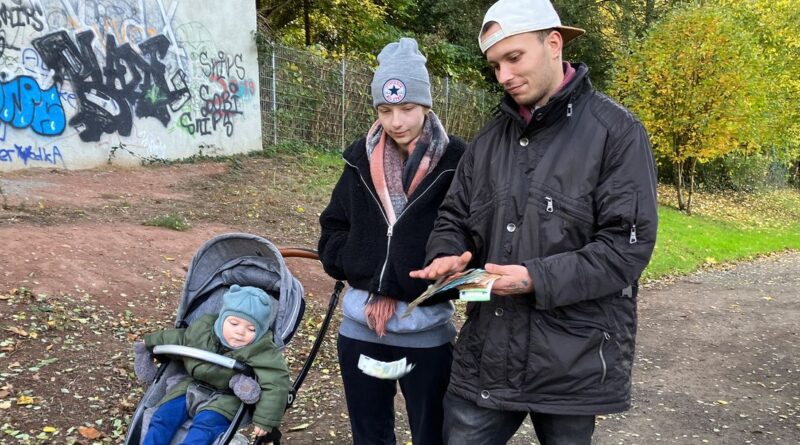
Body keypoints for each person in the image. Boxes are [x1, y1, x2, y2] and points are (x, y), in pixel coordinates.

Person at [409, 0, 659, 443]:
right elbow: (454, 216)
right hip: (487, 355)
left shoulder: (616, 131)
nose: (503, 76)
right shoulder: (487, 140)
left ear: (554, 43)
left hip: (573, 362)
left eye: (514, 57)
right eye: (494, 65)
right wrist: (445, 253)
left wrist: (534, 278)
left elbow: (627, 246)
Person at [317, 37, 466, 445]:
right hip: (361, 329)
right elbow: (332, 226)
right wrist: (354, 265)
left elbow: (472, 235)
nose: (396, 121)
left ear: (426, 106)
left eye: (407, 108)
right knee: (370, 436)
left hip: (426, 334)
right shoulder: (357, 161)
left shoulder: (458, 163)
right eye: (385, 110)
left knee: (432, 435)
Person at [133, 284, 290, 445]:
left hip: (225, 399)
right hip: (189, 387)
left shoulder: (262, 349)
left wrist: (265, 419)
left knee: (204, 430)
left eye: (251, 329)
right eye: (234, 324)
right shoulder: (204, 329)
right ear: (222, 319)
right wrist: (150, 342)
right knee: (162, 418)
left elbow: (276, 381)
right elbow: (179, 338)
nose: (240, 332)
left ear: (261, 331)